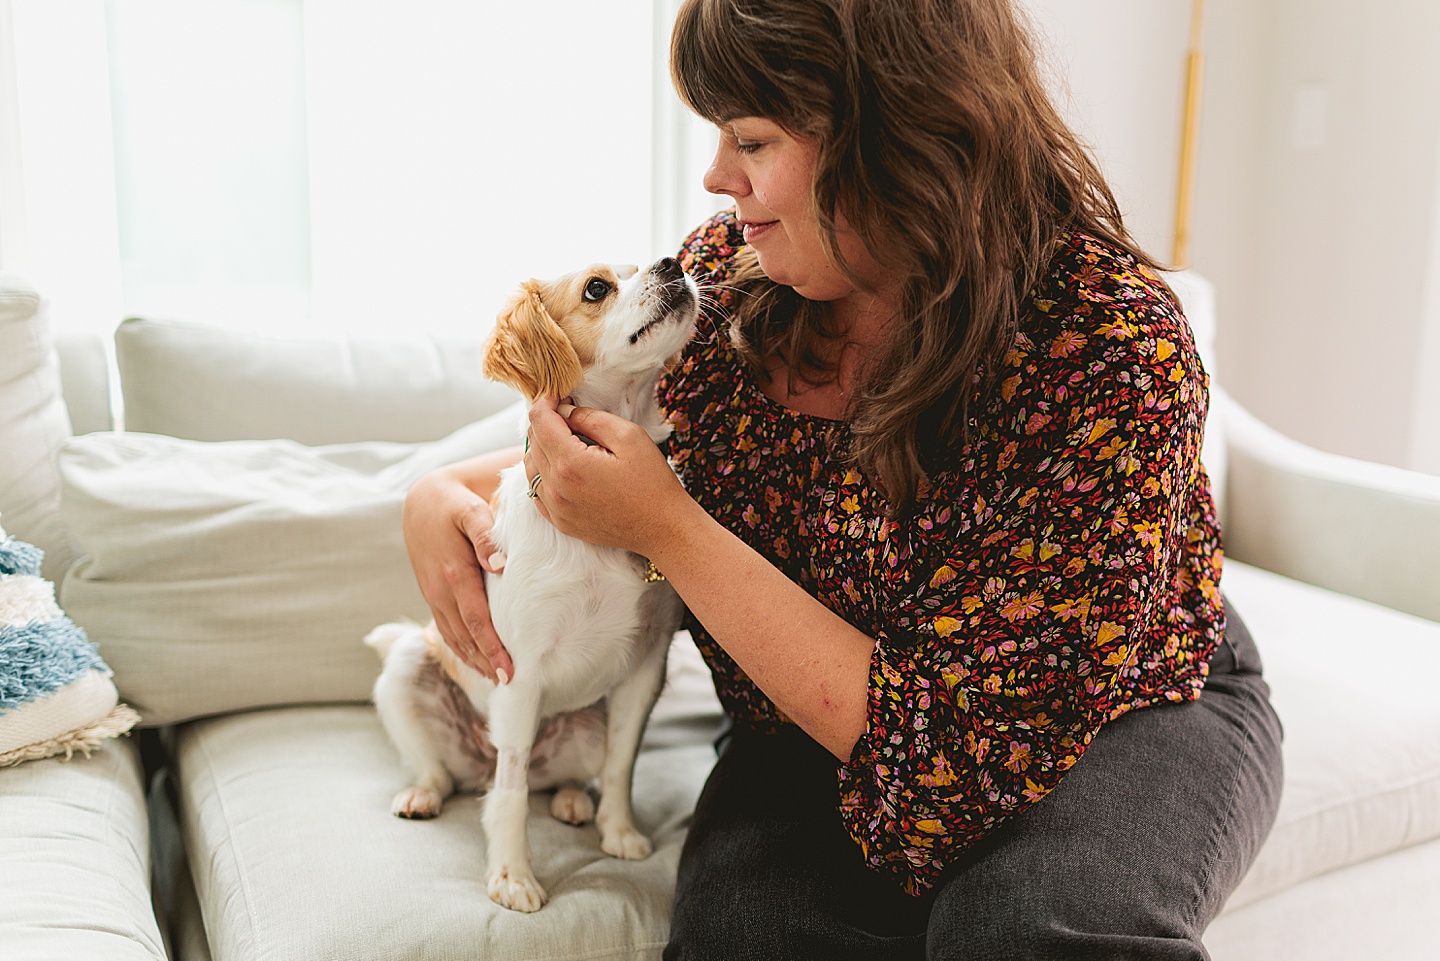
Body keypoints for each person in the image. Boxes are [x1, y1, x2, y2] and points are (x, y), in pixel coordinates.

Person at [401, 0, 1284, 956]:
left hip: (1111, 699)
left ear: (891, 131)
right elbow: (616, 457)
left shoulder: (1109, 347)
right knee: (748, 937)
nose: (715, 176)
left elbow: (947, 756)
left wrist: (674, 534)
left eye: (751, 137)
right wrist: (433, 493)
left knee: (1026, 932)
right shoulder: (728, 288)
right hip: (801, 714)